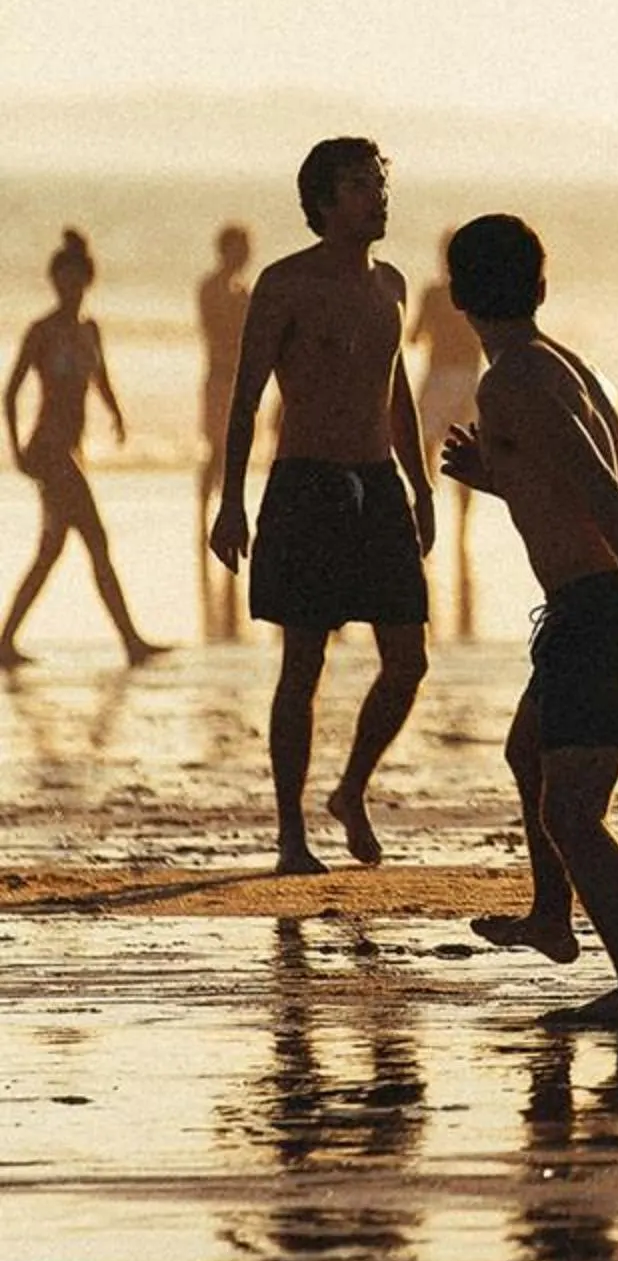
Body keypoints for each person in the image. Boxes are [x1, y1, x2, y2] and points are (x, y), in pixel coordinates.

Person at [439, 213, 618, 1029]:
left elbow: (595, 483)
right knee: (527, 753)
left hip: (601, 607)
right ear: (539, 288)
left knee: (572, 811)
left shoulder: (513, 381)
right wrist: (496, 474)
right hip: (587, 605)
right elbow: (564, 480)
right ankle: (550, 917)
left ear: (457, 297)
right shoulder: (558, 366)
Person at [208, 139, 434, 874]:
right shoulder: (285, 285)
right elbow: (245, 400)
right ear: (325, 203)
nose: (378, 196)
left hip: (379, 486)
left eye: (379, 182)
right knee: (302, 664)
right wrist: (230, 502)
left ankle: (350, 789)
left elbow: (394, 389)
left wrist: (422, 485)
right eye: (361, 186)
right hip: (306, 485)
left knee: (408, 661)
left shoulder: (392, 285)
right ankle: (289, 835)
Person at [1, 228, 165, 668]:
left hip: (72, 452)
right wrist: (15, 450)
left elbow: (101, 378)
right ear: (54, 282)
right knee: (95, 540)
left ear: (86, 281)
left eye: (76, 279)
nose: (69, 287)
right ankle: (131, 641)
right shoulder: (42, 330)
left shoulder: (90, 328)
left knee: (51, 551)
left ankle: (5, 641)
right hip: (48, 452)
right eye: (63, 279)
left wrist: (117, 415)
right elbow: (10, 391)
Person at [410, 230, 485, 626]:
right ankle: (458, 529)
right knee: (464, 453)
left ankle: (429, 517)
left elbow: (414, 336)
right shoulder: (478, 293)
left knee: (430, 450)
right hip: (465, 377)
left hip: (443, 376)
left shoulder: (436, 293)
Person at [197, 223, 254, 545]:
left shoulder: (242, 290)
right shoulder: (212, 287)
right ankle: (204, 513)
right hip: (219, 377)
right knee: (217, 448)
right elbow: (215, 331)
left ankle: (227, 510)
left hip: (237, 378)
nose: (246, 255)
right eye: (241, 248)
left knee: (234, 450)